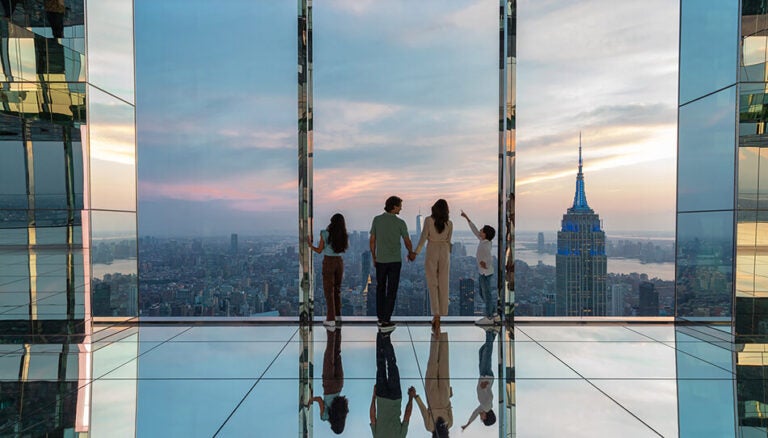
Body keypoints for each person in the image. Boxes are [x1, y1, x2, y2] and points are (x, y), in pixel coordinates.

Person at [370, 196, 415, 332]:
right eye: (400, 206)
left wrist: (374, 256)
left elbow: (372, 240)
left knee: (380, 288)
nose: (401, 208)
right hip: (395, 261)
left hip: (381, 260)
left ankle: (380, 317)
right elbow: (407, 240)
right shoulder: (400, 223)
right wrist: (411, 252)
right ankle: (386, 319)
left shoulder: (377, 220)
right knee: (392, 290)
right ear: (394, 206)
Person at [412, 199, 452, 332]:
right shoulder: (449, 223)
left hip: (432, 250)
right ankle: (441, 314)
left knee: (432, 284)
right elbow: (449, 241)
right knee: (443, 284)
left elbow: (423, 237)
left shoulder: (429, 220)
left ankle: (436, 315)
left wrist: (416, 252)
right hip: (445, 252)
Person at [370, 331, 415, 437]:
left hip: (395, 398)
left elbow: (407, 416)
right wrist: (374, 397)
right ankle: (380, 334)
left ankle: (386, 337)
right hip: (381, 397)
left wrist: (411, 397)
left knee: (392, 365)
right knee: (380, 365)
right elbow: (372, 417)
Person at [309, 213, 348, 328]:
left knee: (328, 291)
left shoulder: (325, 233)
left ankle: (330, 319)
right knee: (337, 290)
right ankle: (337, 316)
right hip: (339, 262)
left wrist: (310, 245)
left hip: (328, 262)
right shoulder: (343, 235)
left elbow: (319, 250)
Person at [460, 209, 498, 325]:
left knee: (486, 295)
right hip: (483, 273)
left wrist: (485, 265)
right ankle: (494, 313)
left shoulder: (485, 245)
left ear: (485, 234)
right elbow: (474, 230)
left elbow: (490, 258)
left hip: (485, 273)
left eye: (482, 230)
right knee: (483, 294)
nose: (480, 231)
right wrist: (467, 218)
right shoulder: (483, 240)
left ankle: (489, 317)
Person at [413, 330, 453, 437]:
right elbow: (423, 411)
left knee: (444, 363)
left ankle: (442, 336)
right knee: (433, 363)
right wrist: (415, 397)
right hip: (433, 399)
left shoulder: (449, 424)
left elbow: (449, 406)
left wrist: (449, 392)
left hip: (444, 397)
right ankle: (436, 335)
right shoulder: (430, 427)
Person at [310, 327, 349, 434]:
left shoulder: (343, 412)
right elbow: (319, 399)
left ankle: (338, 328)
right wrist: (309, 401)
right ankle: (331, 329)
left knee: (336, 353)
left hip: (339, 385)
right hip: (328, 385)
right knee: (329, 354)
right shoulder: (326, 417)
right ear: (333, 427)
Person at [461, 328, 497, 431]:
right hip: (486, 377)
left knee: (482, 351)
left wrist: (467, 424)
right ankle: (489, 331)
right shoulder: (487, 406)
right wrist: (485, 386)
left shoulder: (483, 407)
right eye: (483, 420)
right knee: (487, 353)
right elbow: (490, 397)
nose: (481, 419)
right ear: (486, 417)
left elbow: (475, 414)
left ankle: (493, 334)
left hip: (484, 376)